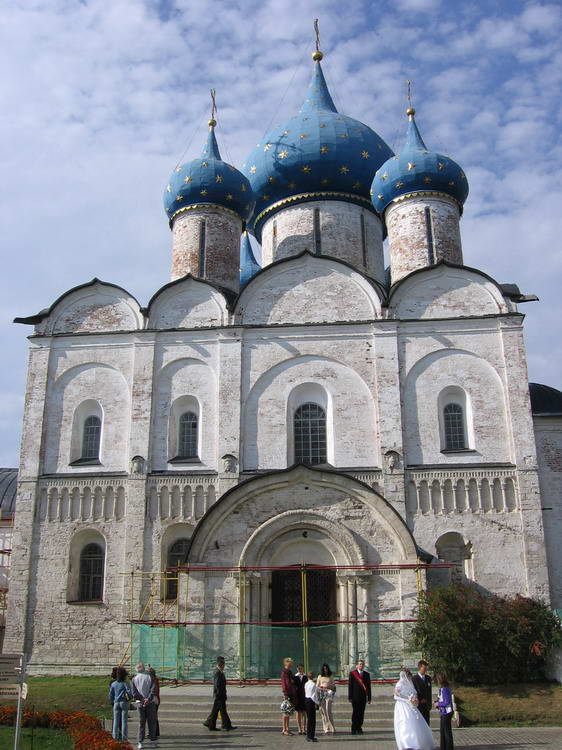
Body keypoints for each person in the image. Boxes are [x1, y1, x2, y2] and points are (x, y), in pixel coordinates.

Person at [393, 668, 435, 750]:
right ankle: (406, 743)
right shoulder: (399, 684)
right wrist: (407, 700)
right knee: (404, 723)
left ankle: (416, 742)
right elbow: (396, 696)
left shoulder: (410, 684)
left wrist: (414, 698)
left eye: (409, 677)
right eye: (407, 676)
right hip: (402, 706)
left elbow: (414, 692)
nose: (408, 678)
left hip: (411, 706)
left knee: (415, 723)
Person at [203, 656, 236, 731]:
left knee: (218, 711)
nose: (224, 665)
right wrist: (219, 695)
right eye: (223, 663)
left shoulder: (219, 671)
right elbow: (217, 684)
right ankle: (224, 725)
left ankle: (211, 724)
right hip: (219, 695)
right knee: (221, 711)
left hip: (220, 695)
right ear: (220, 664)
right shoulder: (217, 672)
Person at [132, 662, 158, 749]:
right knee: (152, 722)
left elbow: (134, 693)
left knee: (141, 723)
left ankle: (140, 742)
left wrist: (143, 699)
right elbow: (153, 689)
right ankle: (153, 741)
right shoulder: (150, 677)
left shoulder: (134, 679)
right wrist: (148, 699)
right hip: (150, 702)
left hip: (140, 703)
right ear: (144, 668)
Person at [348, 658, 371, 735]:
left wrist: (369, 698)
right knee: (355, 713)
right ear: (357, 665)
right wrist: (350, 697)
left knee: (361, 713)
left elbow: (368, 687)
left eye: (362, 664)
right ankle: (354, 728)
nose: (361, 666)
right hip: (355, 697)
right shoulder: (352, 674)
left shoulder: (367, 674)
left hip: (363, 697)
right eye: (360, 664)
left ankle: (359, 727)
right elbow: (350, 686)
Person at [109, 666, 132, 742]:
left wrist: (112, 701)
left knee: (116, 720)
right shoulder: (125, 683)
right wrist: (129, 698)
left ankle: (115, 737)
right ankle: (124, 737)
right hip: (123, 702)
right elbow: (129, 693)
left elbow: (110, 695)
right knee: (124, 721)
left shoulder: (114, 684)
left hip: (116, 702)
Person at [434, 672, 454, 750]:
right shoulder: (443, 688)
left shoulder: (445, 689)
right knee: (443, 732)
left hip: (447, 712)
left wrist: (438, 704)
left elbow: (447, 701)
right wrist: (437, 702)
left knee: (447, 732)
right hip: (443, 712)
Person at [316, 662, 336, 734]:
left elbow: (333, 686)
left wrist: (328, 687)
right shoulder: (320, 676)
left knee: (328, 711)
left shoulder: (330, 676)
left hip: (329, 694)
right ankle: (326, 727)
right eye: (324, 669)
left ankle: (332, 727)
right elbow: (317, 686)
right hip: (322, 694)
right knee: (323, 712)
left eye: (326, 668)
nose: (325, 670)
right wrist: (321, 688)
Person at [412, 659, 433, 725]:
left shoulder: (428, 678)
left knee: (427, 724)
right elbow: (414, 691)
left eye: (426, 667)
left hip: (427, 705)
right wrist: (420, 699)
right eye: (424, 667)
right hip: (419, 705)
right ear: (420, 667)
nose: (426, 669)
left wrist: (429, 701)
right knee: (420, 724)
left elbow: (429, 691)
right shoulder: (414, 679)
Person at [280, 657, 297, 736]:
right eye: (289, 663)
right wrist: (285, 693)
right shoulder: (284, 672)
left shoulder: (289, 672)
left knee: (288, 711)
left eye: (291, 663)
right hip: (287, 693)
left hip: (291, 692)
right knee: (285, 711)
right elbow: (284, 683)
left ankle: (287, 728)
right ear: (286, 663)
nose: (291, 664)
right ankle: (284, 728)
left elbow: (291, 681)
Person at [304, 670, 319, 743]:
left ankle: (308, 736)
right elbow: (314, 696)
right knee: (312, 720)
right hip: (311, 701)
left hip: (306, 700)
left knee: (309, 719)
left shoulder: (306, 684)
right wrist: (317, 703)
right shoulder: (313, 684)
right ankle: (311, 736)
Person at [293, 663, 308, 735]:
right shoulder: (295, 676)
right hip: (297, 697)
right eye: (298, 668)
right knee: (298, 712)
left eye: (301, 668)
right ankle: (299, 728)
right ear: (297, 669)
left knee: (304, 713)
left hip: (304, 696)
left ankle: (304, 728)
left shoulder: (306, 676)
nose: (300, 669)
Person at [147, 666, 161, 739]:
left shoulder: (153, 680)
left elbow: (154, 691)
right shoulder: (154, 679)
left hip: (154, 699)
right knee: (154, 716)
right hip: (155, 699)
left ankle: (154, 732)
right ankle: (155, 732)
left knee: (153, 717)